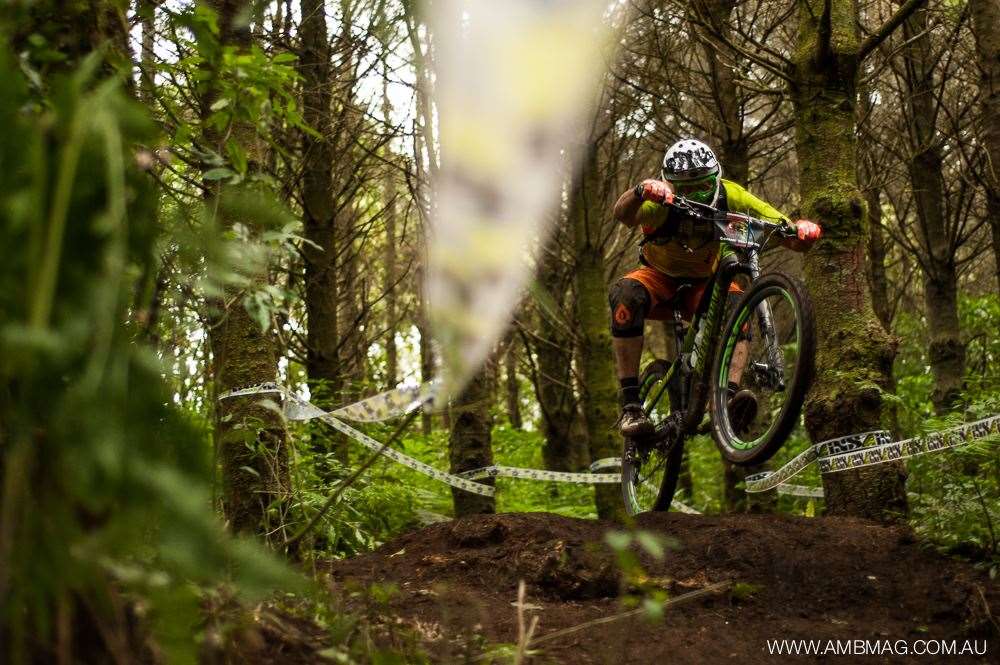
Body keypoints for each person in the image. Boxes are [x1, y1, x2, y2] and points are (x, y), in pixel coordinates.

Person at [610, 139, 821, 437]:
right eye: (688, 189)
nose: (698, 194)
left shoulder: (731, 195)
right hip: (658, 277)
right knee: (625, 295)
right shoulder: (660, 201)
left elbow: (784, 231)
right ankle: (631, 406)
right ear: (669, 183)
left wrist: (801, 231)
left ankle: (725, 399)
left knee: (739, 308)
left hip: (704, 283)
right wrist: (640, 191)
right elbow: (623, 215)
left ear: (717, 178)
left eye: (704, 185)